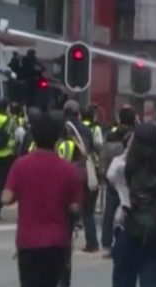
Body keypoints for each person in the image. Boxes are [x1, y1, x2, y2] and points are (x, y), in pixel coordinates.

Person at [3, 113, 84, 287]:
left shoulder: (21, 165)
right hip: (57, 240)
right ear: (56, 138)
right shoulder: (69, 169)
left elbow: (6, 198)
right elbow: (76, 207)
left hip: (28, 241)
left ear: (33, 137)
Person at [107, 122, 156, 287]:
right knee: (152, 278)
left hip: (127, 227)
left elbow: (110, 175)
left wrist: (128, 150)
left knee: (123, 278)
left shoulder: (123, 168)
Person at [62, 100, 99, 254]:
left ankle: (65, 240)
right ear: (78, 113)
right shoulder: (87, 129)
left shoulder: (63, 128)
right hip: (86, 172)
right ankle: (92, 242)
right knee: (88, 211)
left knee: (65, 209)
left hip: (69, 172)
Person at [102, 106, 138, 254]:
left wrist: (103, 173)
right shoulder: (135, 137)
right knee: (127, 208)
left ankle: (106, 240)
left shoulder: (110, 136)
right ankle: (124, 239)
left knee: (110, 210)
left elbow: (103, 156)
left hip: (112, 176)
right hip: (129, 178)